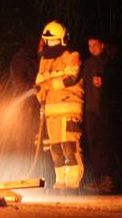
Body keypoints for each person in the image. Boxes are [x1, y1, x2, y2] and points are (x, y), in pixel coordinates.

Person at [34, 21, 84, 192]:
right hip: (51, 111)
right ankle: (61, 181)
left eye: (54, 41)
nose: (51, 44)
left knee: (69, 146)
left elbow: (71, 78)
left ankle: (74, 183)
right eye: (49, 41)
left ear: (62, 40)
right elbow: (39, 82)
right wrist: (40, 92)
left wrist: (48, 85)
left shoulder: (72, 56)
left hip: (68, 108)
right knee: (55, 148)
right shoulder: (43, 60)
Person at [82, 37, 119, 193]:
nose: (92, 48)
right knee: (94, 144)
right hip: (91, 110)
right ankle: (98, 178)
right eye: (89, 46)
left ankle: (107, 178)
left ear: (102, 45)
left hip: (104, 110)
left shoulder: (109, 63)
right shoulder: (88, 64)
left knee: (105, 144)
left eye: (95, 45)